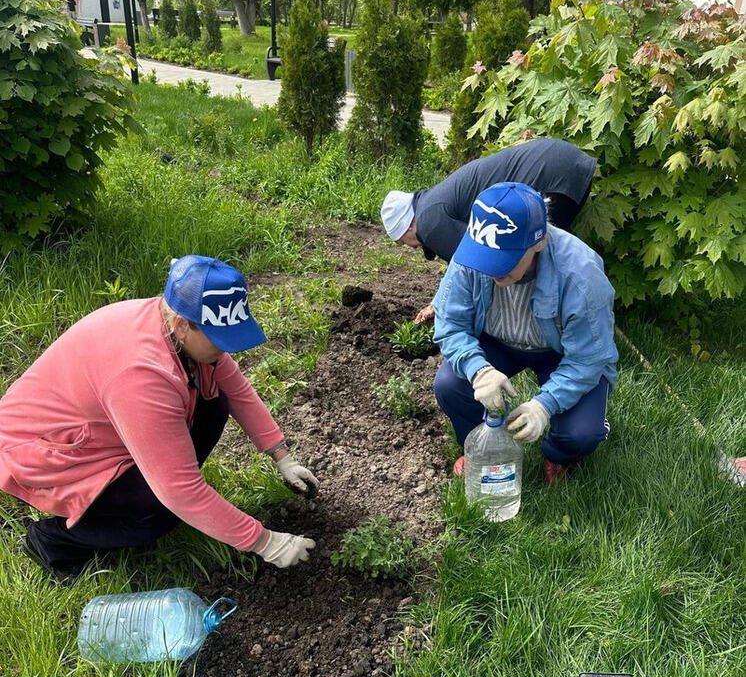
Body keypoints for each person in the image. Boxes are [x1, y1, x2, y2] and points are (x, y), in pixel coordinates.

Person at [0, 256, 317, 579]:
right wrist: (265, 542)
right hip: (47, 452)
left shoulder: (174, 323)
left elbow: (235, 389)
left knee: (215, 401)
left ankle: (153, 485)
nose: (228, 350)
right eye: (220, 340)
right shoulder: (142, 374)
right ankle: (53, 541)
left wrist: (282, 456)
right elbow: (180, 492)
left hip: (104, 428)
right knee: (158, 511)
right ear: (183, 325)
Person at [432, 182, 617, 484]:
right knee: (450, 384)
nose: (492, 270)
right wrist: (478, 370)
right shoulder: (474, 252)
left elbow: (588, 359)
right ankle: (478, 442)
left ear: (539, 242)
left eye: (504, 260)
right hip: (497, 342)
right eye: (485, 259)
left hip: (560, 352)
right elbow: (450, 322)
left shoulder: (581, 275)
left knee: (582, 433)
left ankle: (559, 454)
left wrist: (543, 406)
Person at [381, 138, 597, 322]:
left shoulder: (429, 224)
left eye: (402, 241)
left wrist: (445, 309)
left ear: (408, 225)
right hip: (561, 161)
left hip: (555, 177)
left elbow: (478, 266)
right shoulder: (431, 205)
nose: (409, 247)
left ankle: (550, 334)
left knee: (534, 261)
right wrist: (438, 301)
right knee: (531, 258)